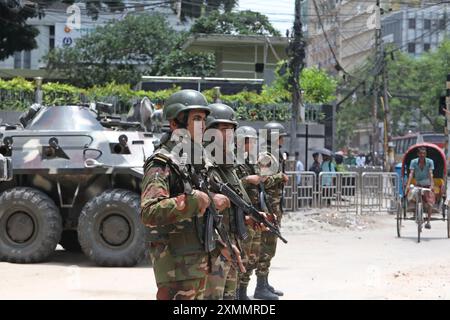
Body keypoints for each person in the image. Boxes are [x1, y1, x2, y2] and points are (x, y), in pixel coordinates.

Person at [141, 90, 240, 300]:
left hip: (199, 261)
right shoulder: (162, 162)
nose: (202, 125)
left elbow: (205, 215)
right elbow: (150, 212)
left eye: (204, 119)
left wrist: (223, 243)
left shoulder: (193, 160)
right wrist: (196, 200)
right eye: (196, 119)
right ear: (175, 123)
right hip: (177, 267)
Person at [203, 104, 261, 300]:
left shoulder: (228, 162)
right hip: (213, 244)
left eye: (230, 129)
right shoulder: (198, 159)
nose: (228, 135)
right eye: (222, 129)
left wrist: (249, 215)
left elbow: (238, 196)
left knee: (230, 296)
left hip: (232, 240)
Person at [234, 126, 274, 300]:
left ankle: (243, 292)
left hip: (255, 211)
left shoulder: (250, 161)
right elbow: (229, 185)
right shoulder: (233, 160)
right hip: (242, 215)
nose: (252, 144)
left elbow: (264, 179)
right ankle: (236, 293)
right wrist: (246, 180)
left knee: (253, 256)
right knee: (242, 257)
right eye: (249, 141)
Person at [254, 122, 289, 300]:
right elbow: (263, 180)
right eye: (281, 136)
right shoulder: (266, 155)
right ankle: (260, 287)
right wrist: (280, 177)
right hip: (268, 207)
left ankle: (264, 282)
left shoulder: (274, 154)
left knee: (271, 246)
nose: (283, 139)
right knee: (266, 246)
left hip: (275, 205)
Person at [405, 147, 435, 229]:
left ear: (426, 154)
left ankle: (428, 222)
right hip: (418, 184)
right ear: (418, 154)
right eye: (421, 153)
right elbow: (411, 173)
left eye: (424, 153)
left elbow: (430, 173)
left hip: (427, 184)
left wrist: (432, 185)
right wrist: (408, 185)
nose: (422, 155)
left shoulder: (430, 162)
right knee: (414, 197)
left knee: (429, 203)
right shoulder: (413, 162)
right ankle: (417, 213)